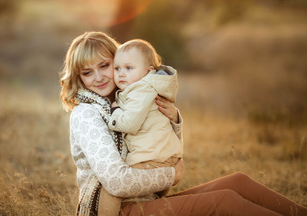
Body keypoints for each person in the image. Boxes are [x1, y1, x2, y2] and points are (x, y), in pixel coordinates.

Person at [60, 31, 307, 216]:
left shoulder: (128, 100)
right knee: (224, 201)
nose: (99, 77)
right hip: (116, 209)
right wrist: (171, 175)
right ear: (78, 77)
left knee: (237, 182)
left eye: (104, 66)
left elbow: (163, 148)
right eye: (87, 72)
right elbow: (116, 182)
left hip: (143, 199)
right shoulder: (87, 115)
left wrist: (174, 120)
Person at [98, 39, 183, 215]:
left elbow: (130, 123)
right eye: (117, 68)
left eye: (129, 68)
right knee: (146, 204)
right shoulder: (141, 88)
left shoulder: (141, 90)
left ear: (148, 71)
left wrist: (114, 113)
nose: (121, 74)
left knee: (111, 190)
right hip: (160, 155)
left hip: (152, 159)